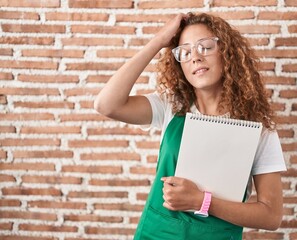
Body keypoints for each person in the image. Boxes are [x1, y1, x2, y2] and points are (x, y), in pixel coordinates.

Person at [94, 12, 287, 240]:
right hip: (156, 233)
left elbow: (270, 216)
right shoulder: (171, 106)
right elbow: (106, 105)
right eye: (184, 52)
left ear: (228, 53)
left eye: (205, 46)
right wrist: (158, 41)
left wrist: (201, 201)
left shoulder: (260, 129)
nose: (195, 57)